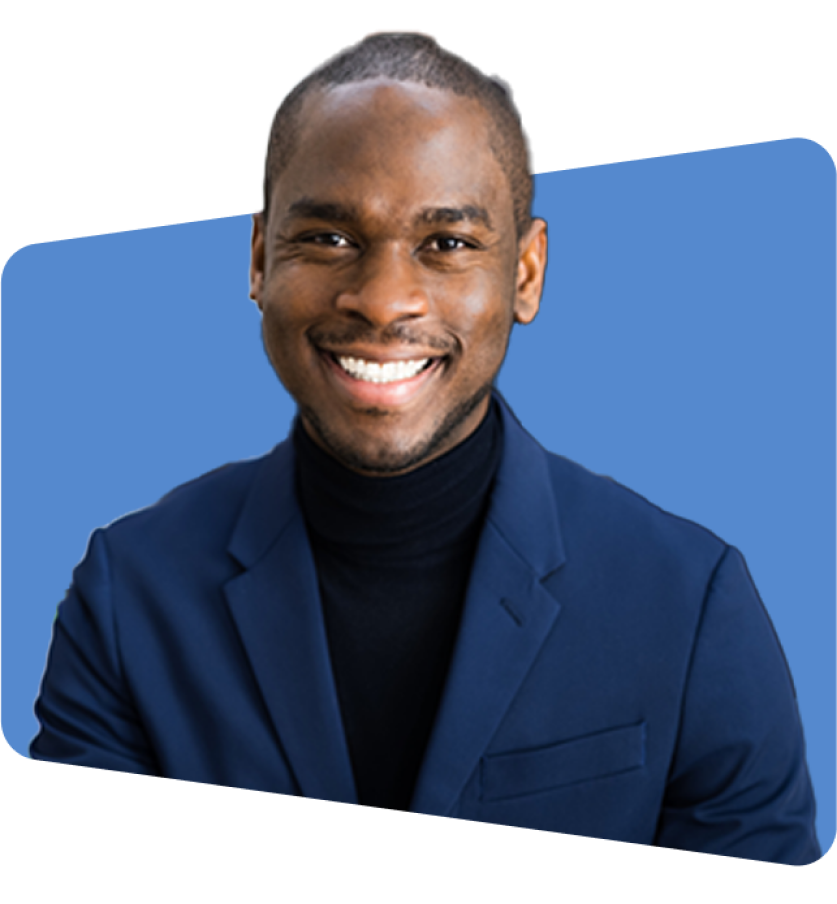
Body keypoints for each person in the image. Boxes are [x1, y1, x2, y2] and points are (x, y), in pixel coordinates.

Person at [30, 30, 821, 865]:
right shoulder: (128, 597)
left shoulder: (692, 604)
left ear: (524, 274)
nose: (382, 301)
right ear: (260, 257)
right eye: (328, 238)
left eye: (445, 244)